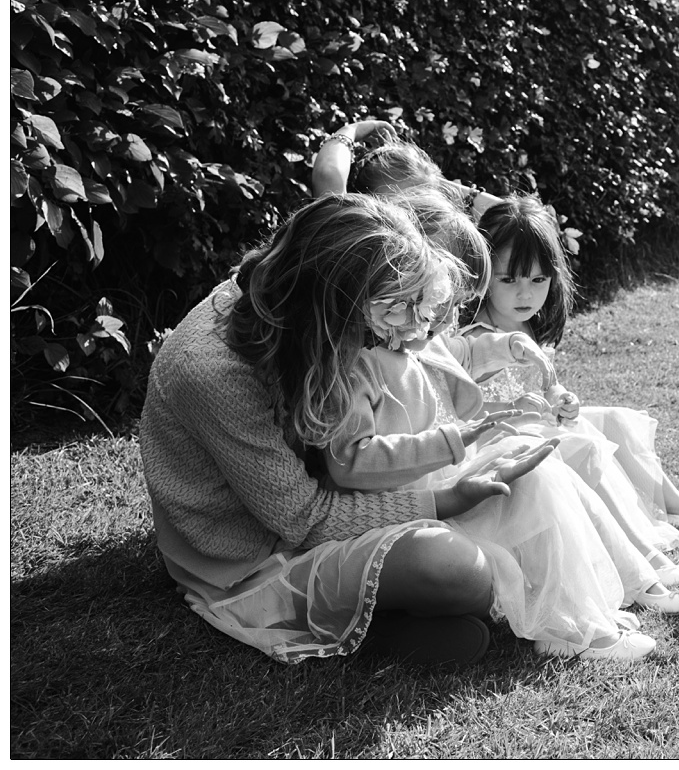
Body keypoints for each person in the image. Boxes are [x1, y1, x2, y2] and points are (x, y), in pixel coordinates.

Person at [137, 194, 563, 667]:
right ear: (329, 300)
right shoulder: (215, 373)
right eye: (391, 309)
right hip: (252, 559)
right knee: (461, 571)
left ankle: (378, 616)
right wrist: (448, 500)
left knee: (516, 511)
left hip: (316, 508)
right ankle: (365, 631)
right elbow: (303, 518)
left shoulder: (293, 309)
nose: (402, 332)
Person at [309, 193, 679, 662]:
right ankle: (569, 625)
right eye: (423, 309)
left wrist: (509, 346)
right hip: (406, 503)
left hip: (441, 479)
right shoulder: (356, 367)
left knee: (541, 469)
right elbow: (351, 462)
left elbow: (460, 356)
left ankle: (585, 606)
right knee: (531, 477)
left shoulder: (414, 342)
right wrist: (452, 441)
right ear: (379, 304)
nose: (436, 325)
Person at [467, 193, 679, 546]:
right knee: (587, 442)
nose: (525, 294)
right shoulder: (477, 338)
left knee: (615, 420)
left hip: (542, 423)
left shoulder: (526, 324)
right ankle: (633, 540)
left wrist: (563, 400)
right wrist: (520, 408)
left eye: (538, 280)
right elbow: (464, 411)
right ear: (483, 275)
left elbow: (546, 384)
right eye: (509, 280)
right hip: (507, 440)